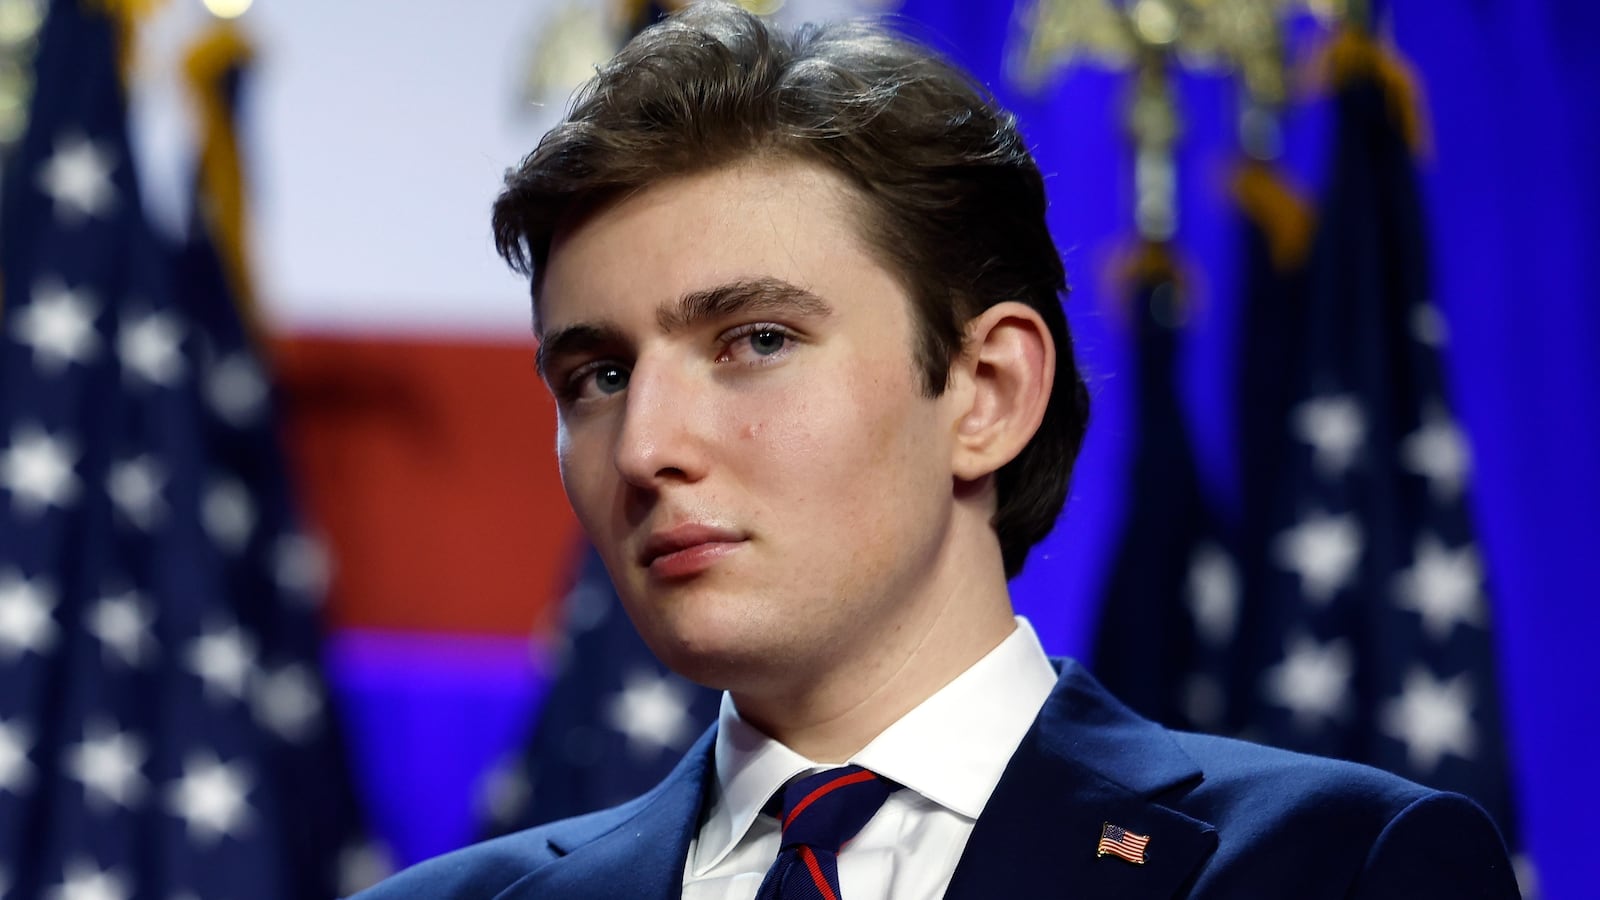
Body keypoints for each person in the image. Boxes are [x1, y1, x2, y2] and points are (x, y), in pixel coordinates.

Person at [355, 3, 1520, 897]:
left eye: (754, 340)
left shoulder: (1336, 871)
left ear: (987, 391)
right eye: (597, 376)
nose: (647, 445)